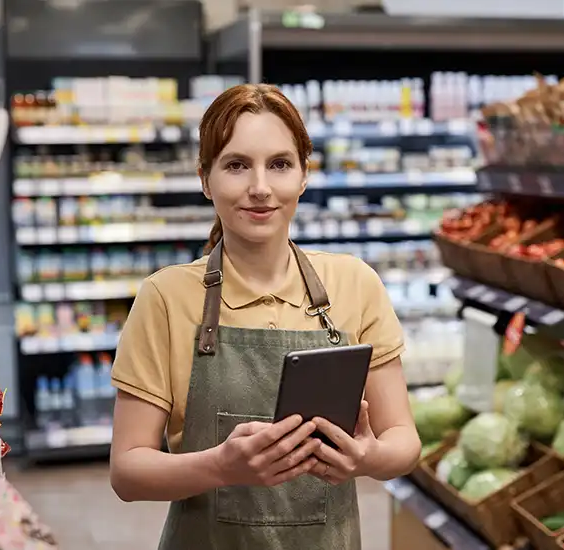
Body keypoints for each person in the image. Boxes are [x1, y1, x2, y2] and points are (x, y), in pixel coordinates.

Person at [109, 83, 421, 550]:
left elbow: (405, 443)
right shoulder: (166, 297)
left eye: (279, 164)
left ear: (303, 175)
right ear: (204, 178)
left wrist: (368, 456)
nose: (260, 188)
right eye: (236, 165)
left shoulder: (355, 284)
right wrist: (221, 466)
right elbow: (127, 472)